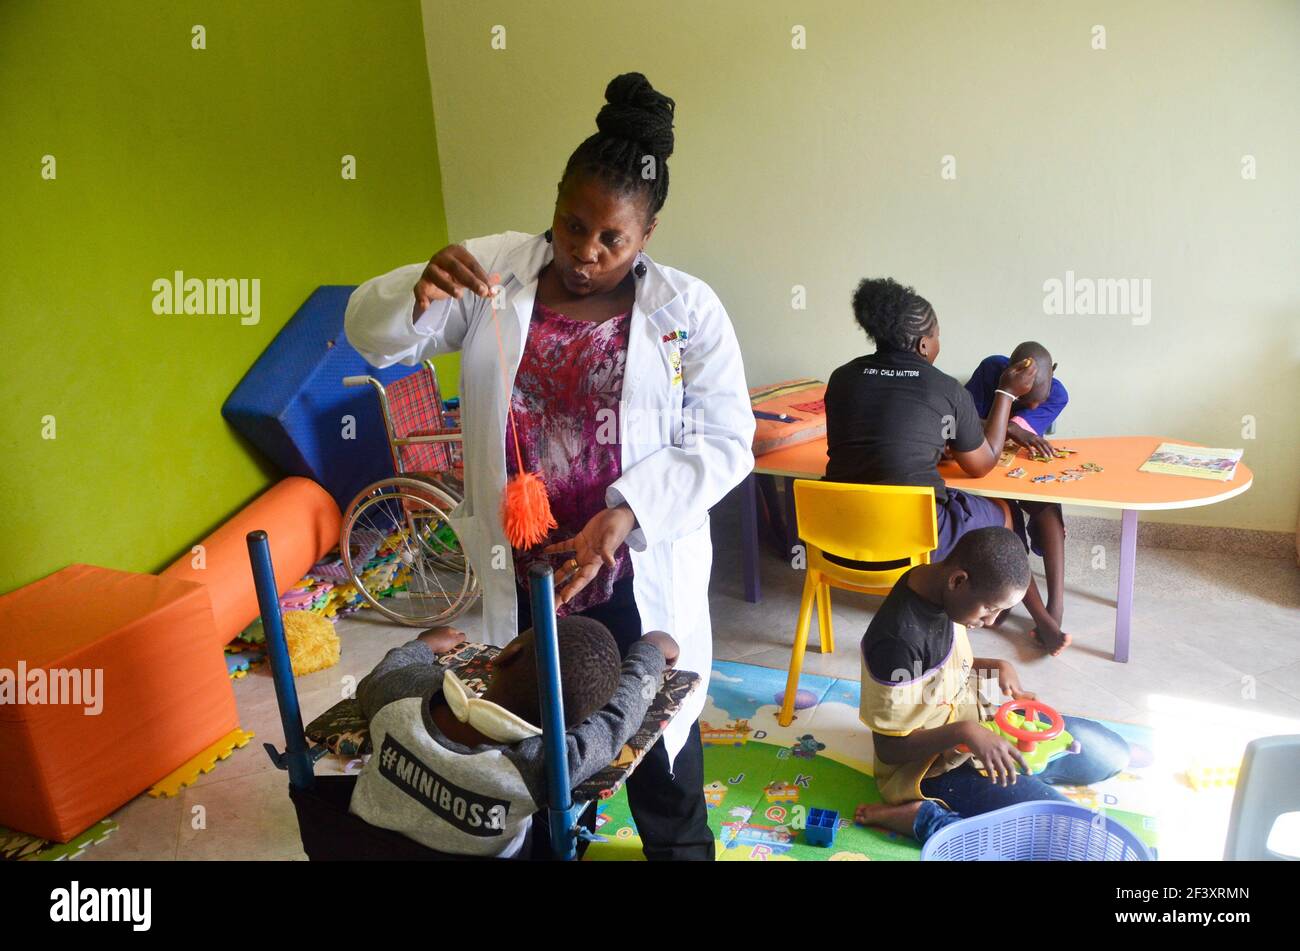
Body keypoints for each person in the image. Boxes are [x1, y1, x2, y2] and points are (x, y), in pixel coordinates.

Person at [344, 73, 755, 860]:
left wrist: (626, 512)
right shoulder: (491, 270)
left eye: (612, 240)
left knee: (660, 759)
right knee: (534, 756)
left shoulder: (686, 309)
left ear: (649, 234)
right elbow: (371, 334)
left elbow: (727, 437)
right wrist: (415, 291)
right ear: (557, 201)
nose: (586, 253)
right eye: (572, 226)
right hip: (530, 573)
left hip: (632, 569)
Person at [852, 528, 1130, 844]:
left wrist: (995, 667)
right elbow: (888, 750)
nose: (992, 621)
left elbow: (938, 670)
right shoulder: (896, 643)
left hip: (981, 724)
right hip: (933, 767)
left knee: (1112, 754)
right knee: (1066, 835)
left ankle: (1013, 791)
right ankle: (925, 817)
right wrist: (966, 732)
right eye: (989, 608)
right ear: (958, 581)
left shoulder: (934, 584)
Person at [349, 622, 678, 858]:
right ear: (578, 723)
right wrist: (650, 652)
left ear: (504, 655)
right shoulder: (550, 763)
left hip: (358, 845)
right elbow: (620, 717)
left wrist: (423, 645)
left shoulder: (402, 694)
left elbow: (383, 673)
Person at [822, 276, 1038, 561]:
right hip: (913, 541)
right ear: (924, 345)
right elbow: (982, 465)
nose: (939, 343)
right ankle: (995, 600)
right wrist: (1006, 392)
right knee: (1002, 509)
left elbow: (875, 440)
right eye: (937, 336)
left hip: (838, 534)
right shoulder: (946, 389)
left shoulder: (841, 378)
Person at [965, 342, 1072, 652]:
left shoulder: (1058, 393)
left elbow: (1017, 431)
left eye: (1039, 400)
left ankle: (1055, 608)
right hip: (980, 469)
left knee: (1047, 505)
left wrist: (1009, 429)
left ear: (1052, 375)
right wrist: (1010, 429)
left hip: (1019, 471)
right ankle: (1027, 607)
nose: (1035, 408)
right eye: (1027, 400)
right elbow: (964, 424)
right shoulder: (990, 370)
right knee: (1007, 519)